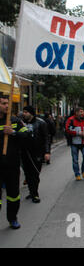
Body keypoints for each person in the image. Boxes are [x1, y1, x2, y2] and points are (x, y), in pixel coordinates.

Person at [0, 95, 30, 229]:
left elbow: (27, 136)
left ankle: (13, 218)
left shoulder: (15, 121)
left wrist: (13, 132)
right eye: (3, 103)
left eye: (7, 103)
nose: (6, 106)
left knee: (13, 195)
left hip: (12, 164)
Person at [21, 106, 50, 203]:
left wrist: (47, 152)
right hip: (25, 153)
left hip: (37, 153)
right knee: (28, 174)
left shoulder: (41, 123)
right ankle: (31, 191)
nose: (24, 114)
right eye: (23, 112)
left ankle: (35, 194)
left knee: (35, 174)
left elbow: (46, 138)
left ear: (31, 113)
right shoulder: (21, 123)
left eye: (26, 112)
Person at [66, 107, 84, 181]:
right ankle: (77, 174)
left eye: (83, 111)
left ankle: (83, 170)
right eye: (81, 112)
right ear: (76, 112)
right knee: (75, 159)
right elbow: (67, 129)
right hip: (74, 143)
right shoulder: (71, 120)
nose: (82, 113)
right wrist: (78, 133)